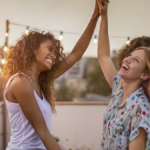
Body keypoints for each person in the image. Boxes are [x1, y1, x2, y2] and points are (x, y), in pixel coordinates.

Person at [1, 0, 108, 149]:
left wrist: (96, 15)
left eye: (54, 52)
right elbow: (43, 132)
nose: (53, 55)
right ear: (32, 49)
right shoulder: (20, 82)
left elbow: (76, 54)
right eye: (49, 49)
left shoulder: (39, 81)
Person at [97, 0, 150, 150]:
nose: (127, 59)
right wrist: (104, 16)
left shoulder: (140, 107)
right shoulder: (119, 88)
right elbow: (104, 55)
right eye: (130, 55)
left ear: (146, 74)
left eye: (137, 59)